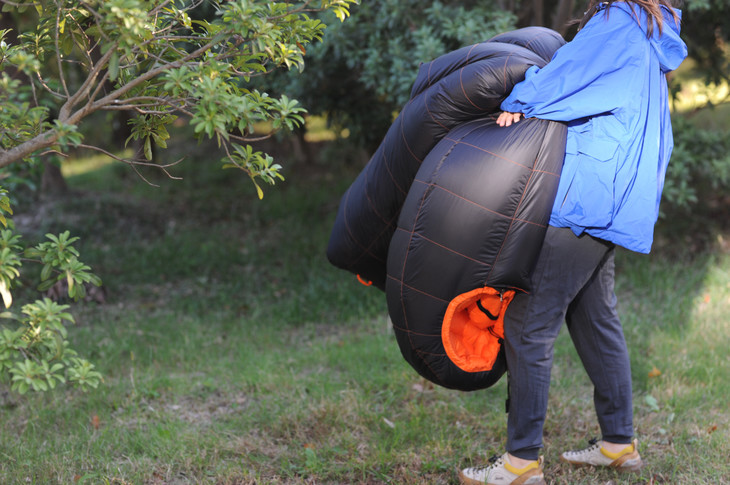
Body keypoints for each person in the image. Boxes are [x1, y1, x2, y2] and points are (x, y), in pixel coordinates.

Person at [458, 1, 687, 484]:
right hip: (613, 197)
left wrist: (519, 100)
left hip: (587, 197)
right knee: (594, 318)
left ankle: (521, 463)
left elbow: (567, 76)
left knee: (528, 326)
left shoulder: (618, 21)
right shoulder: (650, 29)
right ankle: (618, 444)